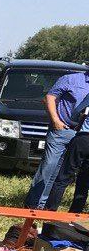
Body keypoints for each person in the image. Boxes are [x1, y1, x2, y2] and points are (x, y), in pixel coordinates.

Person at [25, 68, 89, 211]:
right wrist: (56, 121)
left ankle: (46, 207)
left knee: (61, 173)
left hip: (82, 136)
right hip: (63, 130)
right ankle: (32, 205)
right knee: (49, 166)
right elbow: (49, 97)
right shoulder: (70, 79)